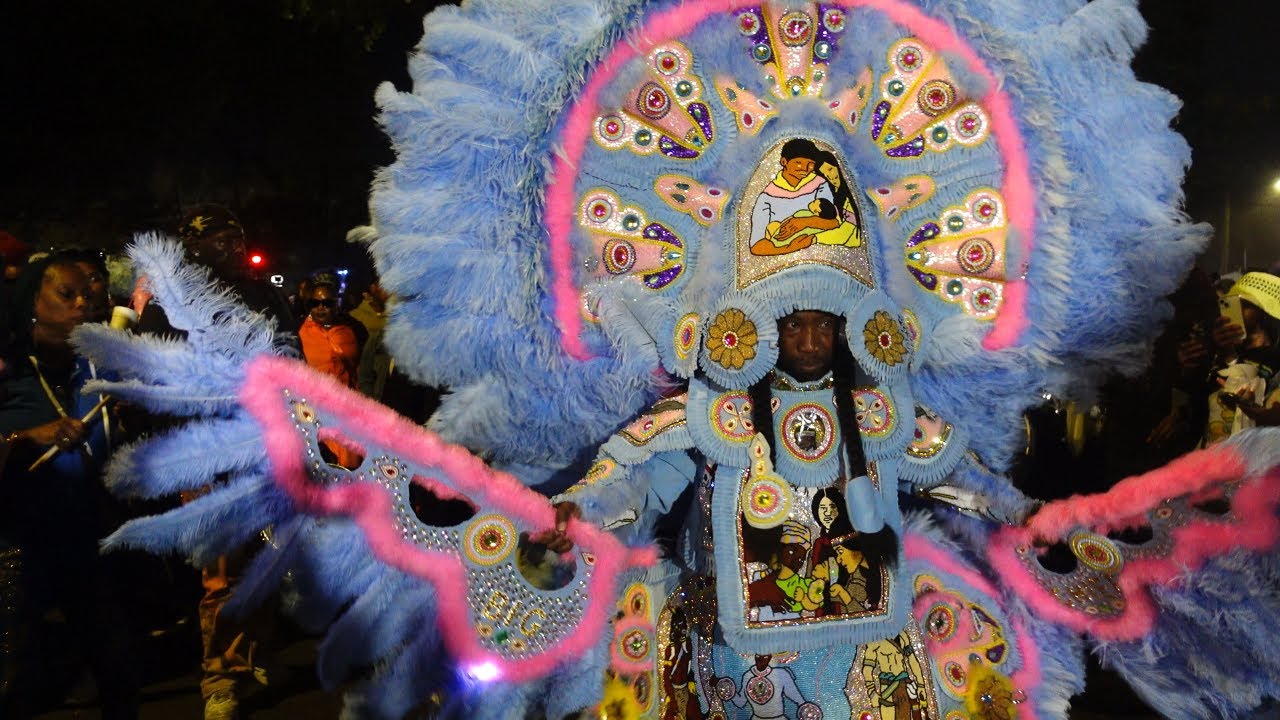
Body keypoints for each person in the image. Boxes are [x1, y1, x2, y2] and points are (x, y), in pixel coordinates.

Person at [134, 205, 290, 720]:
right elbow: (155, 385)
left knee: (269, 561)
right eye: (216, 240)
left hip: (264, 449)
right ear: (191, 247)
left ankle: (253, 651)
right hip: (206, 454)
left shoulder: (265, 297)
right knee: (219, 574)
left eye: (234, 237)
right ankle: (219, 678)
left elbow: (293, 366)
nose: (229, 248)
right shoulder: (169, 306)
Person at [0, 254, 138, 719]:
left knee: (118, 674)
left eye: (90, 296)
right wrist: (21, 439)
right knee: (12, 680)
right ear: (31, 303)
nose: (84, 304)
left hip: (86, 540)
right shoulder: (7, 367)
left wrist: (134, 422)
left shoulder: (97, 370)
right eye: (68, 294)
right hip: (16, 548)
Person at [749, 139, 861, 256]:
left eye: (810, 164)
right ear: (784, 162)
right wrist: (791, 247)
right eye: (798, 162)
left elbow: (835, 222)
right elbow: (757, 245)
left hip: (822, 255)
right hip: (784, 261)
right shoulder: (767, 197)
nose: (805, 168)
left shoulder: (820, 184)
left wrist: (804, 222)